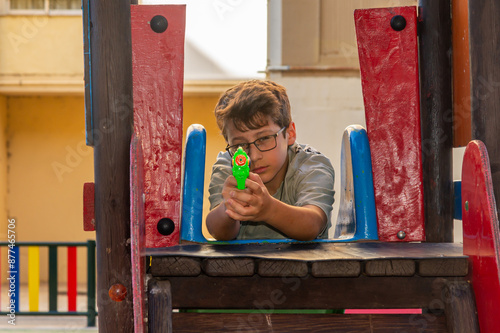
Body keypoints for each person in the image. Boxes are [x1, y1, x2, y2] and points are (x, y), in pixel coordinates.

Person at [206, 80, 335, 241]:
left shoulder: (311, 165)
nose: (253, 156)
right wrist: (229, 206)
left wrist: (269, 210)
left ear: (290, 133)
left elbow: (313, 224)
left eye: (264, 138)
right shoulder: (228, 166)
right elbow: (219, 232)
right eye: (240, 145)